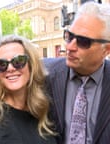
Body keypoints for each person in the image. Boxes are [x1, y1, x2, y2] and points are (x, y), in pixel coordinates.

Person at [44, 2, 110, 144]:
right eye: (69, 36)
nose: (70, 47)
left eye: (83, 41)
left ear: (106, 50)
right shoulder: (45, 75)